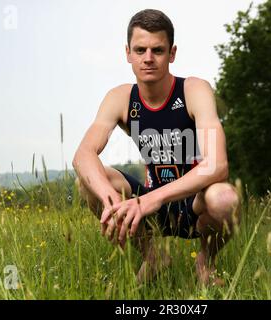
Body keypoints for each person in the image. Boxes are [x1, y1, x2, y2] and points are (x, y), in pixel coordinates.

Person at [72, 9, 240, 286]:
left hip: (195, 203)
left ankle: (205, 263)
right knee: (88, 181)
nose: (148, 58)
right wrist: (109, 200)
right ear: (128, 53)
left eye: (157, 50)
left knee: (225, 198)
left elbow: (218, 165)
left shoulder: (194, 90)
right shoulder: (121, 98)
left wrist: (153, 198)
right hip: (150, 205)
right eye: (140, 50)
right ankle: (155, 257)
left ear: (172, 53)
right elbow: (83, 155)